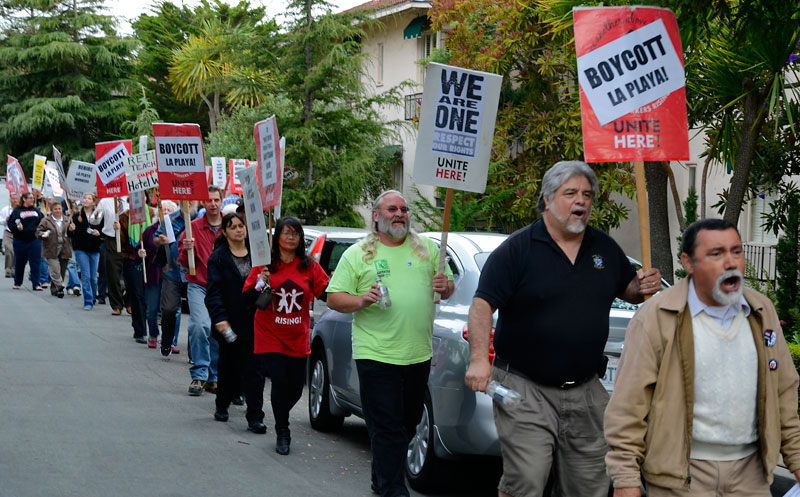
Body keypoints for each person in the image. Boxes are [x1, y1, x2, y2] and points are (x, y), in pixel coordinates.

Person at [463, 160, 662, 497]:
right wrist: (479, 360)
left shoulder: (603, 248)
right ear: (547, 198)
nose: (580, 201)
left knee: (590, 484)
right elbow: (482, 305)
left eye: (587, 194)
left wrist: (643, 284)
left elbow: (628, 289)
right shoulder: (517, 250)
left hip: (586, 390)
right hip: (524, 386)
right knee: (526, 479)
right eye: (570, 193)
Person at [605, 219, 800, 497]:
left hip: (751, 476)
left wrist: (797, 458)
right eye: (716, 254)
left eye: (736, 252)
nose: (730, 263)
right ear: (688, 262)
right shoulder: (657, 317)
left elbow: (784, 392)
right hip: (680, 476)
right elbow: (629, 406)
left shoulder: (761, 311)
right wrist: (625, 478)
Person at [327, 190, 454, 495]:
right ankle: (393, 489)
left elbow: (447, 288)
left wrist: (445, 285)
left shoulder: (428, 250)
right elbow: (333, 298)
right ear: (376, 216)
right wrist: (361, 300)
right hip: (376, 354)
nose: (400, 214)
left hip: (417, 353)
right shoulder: (358, 253)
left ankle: (380, 475)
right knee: (387, 427)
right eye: (392, 209)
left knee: (407, 424)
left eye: (404, 209)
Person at [244, 216, 330, 454]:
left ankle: (280, 411)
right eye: (286, 233)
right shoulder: (265, 265)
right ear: (277, 237)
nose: (291, 237)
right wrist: (260, 282)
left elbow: (326, 292)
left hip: (297, 335)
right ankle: (283, 430)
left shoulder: (309, 266)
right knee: (280, 382)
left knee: (295, 389)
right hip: (270, 334)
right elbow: (248, 299)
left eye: (296, 233)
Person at [205, 213, 265, 432]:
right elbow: (213, 293)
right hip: (229, 321)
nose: (239, 230)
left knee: (254, 370)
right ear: (225, 232)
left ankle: (255, 416)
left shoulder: (259, 255)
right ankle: (222, 404)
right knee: (228, 366)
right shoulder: (218, 258)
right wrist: (220, 318)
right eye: (233, 227)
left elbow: (265, 288)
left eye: (241, 226)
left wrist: (265, 281)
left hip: (255, 322)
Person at [178, 186, 223, 395]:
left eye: (216, 200)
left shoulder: (231, 225)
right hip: (199, 284)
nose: (213, 204)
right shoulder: (193, 227)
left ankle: (214, 377)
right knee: (199, 326)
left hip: (222, 288)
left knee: (217, 330)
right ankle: (199, 374)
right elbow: (181, 260)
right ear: (203, 203)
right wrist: (186, 250)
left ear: (221, 201)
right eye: (209, 200)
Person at [119, 200, 156, 345]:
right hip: (132, 259)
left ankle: (152, 329)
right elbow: (122, 244)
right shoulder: (124, 217)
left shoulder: (152, 213)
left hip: (150, 261)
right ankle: (140, 330)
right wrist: (117, 231)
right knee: (137, 295)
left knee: (149, 296)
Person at [153, 200, 185, 356]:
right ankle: (167, 341)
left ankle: (194, 352)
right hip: (172, 272)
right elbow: (155, 239)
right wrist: (161, 240)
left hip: (195, 274)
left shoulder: (202, 218)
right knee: (169, 309)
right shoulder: (170, 219)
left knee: (198, 318)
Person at [69, 194, 104, 310]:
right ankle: (88, 301)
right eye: (85, 198)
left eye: (89, 198)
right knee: (86, 276)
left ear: (94, 202)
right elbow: (70, 234)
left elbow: (103, 231)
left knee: (93, 277)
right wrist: (71, 229)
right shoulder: (76, 216)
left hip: (94, 249)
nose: (86, 200)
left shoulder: (99, 215)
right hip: (81, 249)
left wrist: (99, 233)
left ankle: (93, 296)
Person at [96, 196, 128, 314]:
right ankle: (116, 304)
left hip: (129, 239)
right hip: (112, 239)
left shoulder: (129, 199)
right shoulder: (105, 201)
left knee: (130, 273)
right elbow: (95, 220)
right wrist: (97, 215)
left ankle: (129, 301)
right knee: (113, 273)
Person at [36, 200, 73, 298]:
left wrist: (72, 229)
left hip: (65, 247)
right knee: (55, 269)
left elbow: (72, 233)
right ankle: (60, 287)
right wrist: (43, 234)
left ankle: (54, 289)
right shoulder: (46, 220)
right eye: (55, 209)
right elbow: (38, 232)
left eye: (59, 209)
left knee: (61, 270)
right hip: (51, 248)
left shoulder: (67, 220)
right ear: (51, 210)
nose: (58, 211)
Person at [8, 192, 44, 290]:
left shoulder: (37, 211)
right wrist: (16, 228)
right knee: (20, 262)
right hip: (20, 241)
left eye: (33, 198)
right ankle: (17, 282)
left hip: (34, 241)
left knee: (36, 263)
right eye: (30, 198)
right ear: (24, 199)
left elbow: (43, 222)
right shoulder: (17, 211)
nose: (32, 199)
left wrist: (43, 232)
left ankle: (36, 284)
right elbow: (10, 224)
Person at [1, 193, 20, 278]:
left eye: (16, 199)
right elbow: (0, 220)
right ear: (10, 199)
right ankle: (8, 270)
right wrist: (5, 220)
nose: (14, 200)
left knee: (16, 251)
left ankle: (14, 269)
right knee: (9, 250)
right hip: (8, 232)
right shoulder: (5, 209)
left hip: (18, 233)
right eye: (13, 198)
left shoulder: (20, 210)